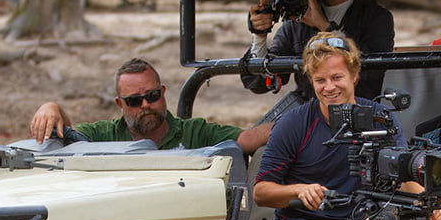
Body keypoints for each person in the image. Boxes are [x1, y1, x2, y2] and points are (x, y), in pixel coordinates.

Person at [253, 31, 441, 220]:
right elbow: (261, 192)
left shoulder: (379, 117)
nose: (329, 87)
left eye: (337, 77)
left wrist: (426, 205)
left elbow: (403, 173)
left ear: (354, 76)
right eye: (320, 80)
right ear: (311, 81)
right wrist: (299, 190)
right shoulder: (293, 123)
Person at [241, 0, 395, 147]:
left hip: (354, 117)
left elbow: (368, 73)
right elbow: (261, 81)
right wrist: (260, 35)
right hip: (305, 113)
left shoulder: (376, 17)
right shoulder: (299, 14)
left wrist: (323, 25)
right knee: (249, 143)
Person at [29, 58, 264, 153]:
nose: (145, 105)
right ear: (120, 104)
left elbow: (249, 139)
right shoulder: (103, 136)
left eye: (151, 96)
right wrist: (52, 108)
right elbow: (67, 138)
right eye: (134, 100)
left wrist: (298, 123)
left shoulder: (195, 133)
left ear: (162, 93)